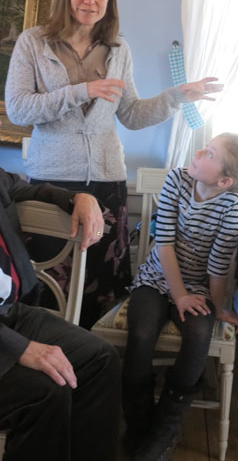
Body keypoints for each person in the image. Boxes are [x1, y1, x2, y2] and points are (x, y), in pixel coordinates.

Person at [5, 0, 222, 329]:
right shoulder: (34, 43)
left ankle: (90, 359)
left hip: (108, 183)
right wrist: (82, 90)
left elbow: (132, 114)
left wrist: (177, 97)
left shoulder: (118, 49)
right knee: (49, 291)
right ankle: (49, 361)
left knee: (100, 292)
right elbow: (19, 110)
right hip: (52, 184)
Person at [122, 133, 238, 460]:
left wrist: (218, 307)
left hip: (199, 286)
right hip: (157, 276)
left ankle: (165, 427)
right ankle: (138, 422)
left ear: (224, 181)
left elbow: (218, 264)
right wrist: (179, 295)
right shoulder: (177, 179)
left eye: (210, 153)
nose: (199, 152)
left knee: (199, 336)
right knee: (141, 335)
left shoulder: (234, 207)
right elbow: (164, 243)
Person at [0, 167, 121, 461]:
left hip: (8, 313)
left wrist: (78, 198)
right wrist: (19, 348)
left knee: (100, 358)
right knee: (44, 393)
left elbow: (23, 188)